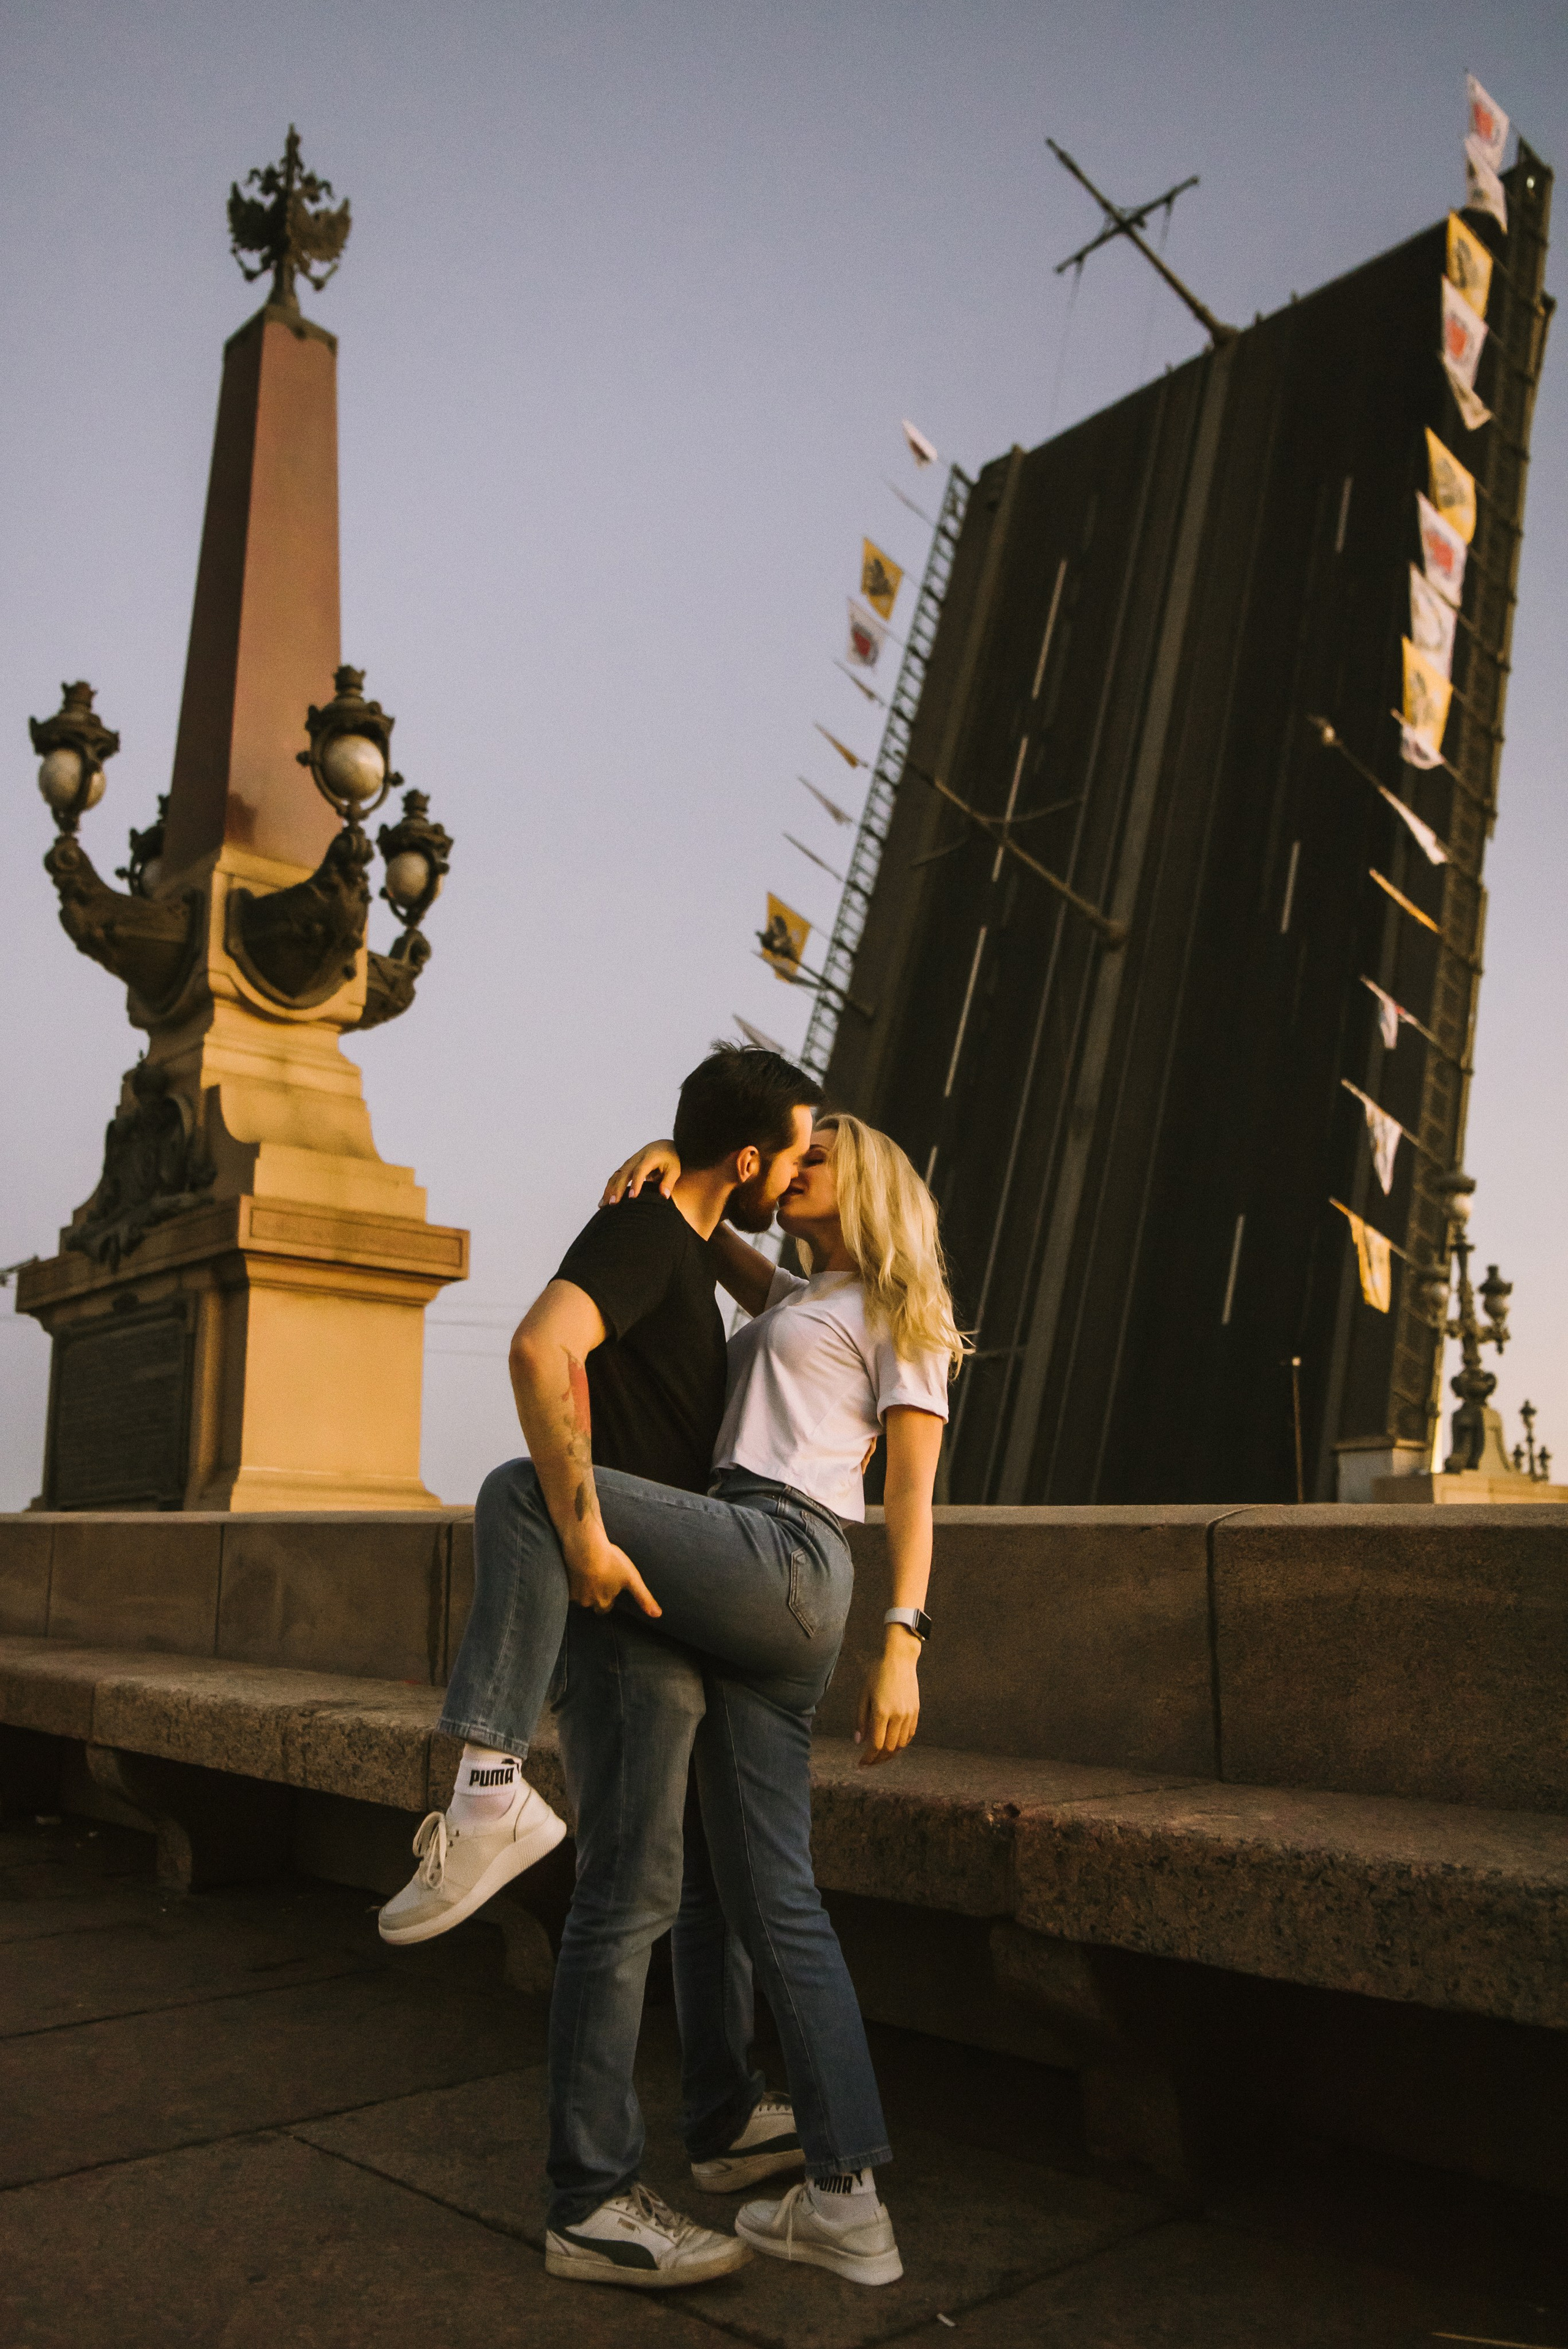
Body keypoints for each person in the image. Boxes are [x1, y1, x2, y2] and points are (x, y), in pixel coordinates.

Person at [383, 1098, 963, 2290]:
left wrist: (901, 1638)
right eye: (796, 1149)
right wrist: (671, 1164)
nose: (801, 1164)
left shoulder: (902, 1312)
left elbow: (908, 1492)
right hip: (734, 1567)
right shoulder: (793, 1299)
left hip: (789, 1561)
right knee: (764, 1895)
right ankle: (844, 2195)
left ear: (875, 1184)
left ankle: (489, 1785)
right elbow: (711, 1219)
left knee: (526, 1488)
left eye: (824, 1152)